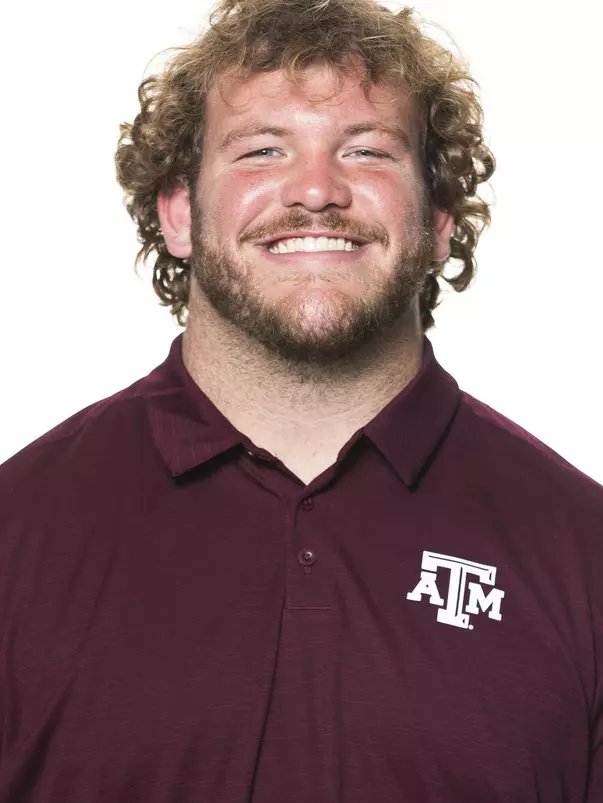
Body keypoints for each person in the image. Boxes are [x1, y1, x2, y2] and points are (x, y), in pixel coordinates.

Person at [0, 0, 601, 800]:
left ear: (438, 224)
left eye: (366, 151)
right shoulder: (17, 533)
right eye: (260, 150)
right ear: (178, 213)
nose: (316, 190)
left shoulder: (582, 549)